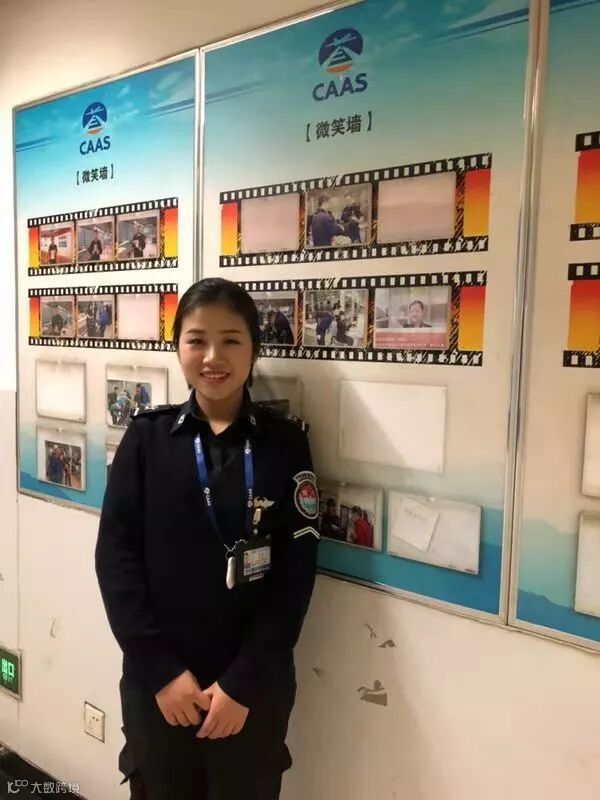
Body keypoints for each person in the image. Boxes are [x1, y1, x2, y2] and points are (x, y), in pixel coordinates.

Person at [96, 278, 320, 800]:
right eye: (197, 340)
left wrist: (243, 683)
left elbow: (296, 576)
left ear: (254, 348)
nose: (213, 356)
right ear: (178, 348)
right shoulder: (147, 439)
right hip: (161, 687)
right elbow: (116, 562)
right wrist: (162, 673)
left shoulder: (285, 444)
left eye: (231, 340)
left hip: (252, 691)